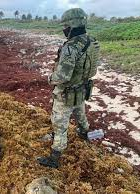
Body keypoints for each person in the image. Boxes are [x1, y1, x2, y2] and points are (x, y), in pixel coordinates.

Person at [37, 8, 100, 168]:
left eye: (65, 26)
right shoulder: (92, 41)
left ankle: (55, 157)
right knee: (80, 114)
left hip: (66, 93)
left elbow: (63, 76)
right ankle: (84, 134)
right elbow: (93, 70)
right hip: (82, 88)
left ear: (72, 25)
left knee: (59, 125)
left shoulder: (70, 47)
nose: (64, 30)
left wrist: (50, 78)